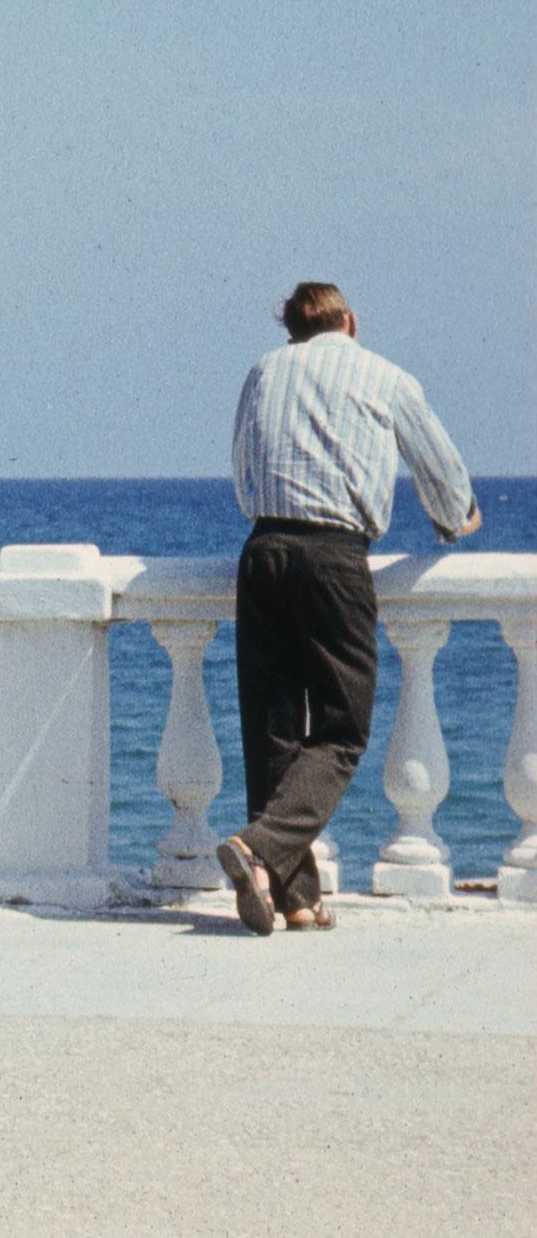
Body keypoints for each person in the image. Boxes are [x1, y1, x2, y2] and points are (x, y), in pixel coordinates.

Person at [218, 282, 480, 936]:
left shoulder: (263, 370)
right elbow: (439, 472)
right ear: (349, 322)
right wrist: (456, 519)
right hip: (333, 555)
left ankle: (294, 899)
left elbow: (243, 476)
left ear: (291, 331)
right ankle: (256, 847)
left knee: (273, 731)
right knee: (340, 730)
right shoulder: (384, 376)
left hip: (263, 550)